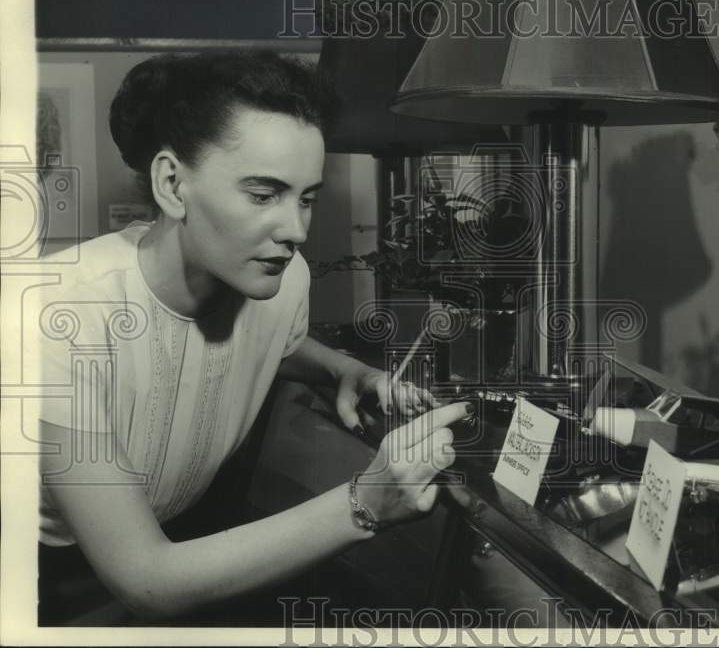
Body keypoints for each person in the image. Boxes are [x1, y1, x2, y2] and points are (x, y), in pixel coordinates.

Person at [35, 50, 470, 625]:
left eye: (306, 197)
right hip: (50, 583)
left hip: (181, 544)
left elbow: (279, 344)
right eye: (263, 195)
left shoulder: (281, 280)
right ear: (172, 184)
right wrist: (363, 503)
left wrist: (344, 370)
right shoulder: (63, 316)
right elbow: (144, 579)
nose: (296, 230)